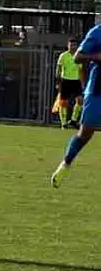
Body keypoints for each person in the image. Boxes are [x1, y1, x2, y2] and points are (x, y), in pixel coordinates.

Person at [51, 26, 101, 187]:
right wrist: (97, 56)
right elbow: (78, 57)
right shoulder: (97, 32)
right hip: (97, 90)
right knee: (85, 133)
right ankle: (65, 163)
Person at [55, 38, 84, 129]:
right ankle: (63, 123)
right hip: (65, 80)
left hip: (76, 81)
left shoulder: (78, 56)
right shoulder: (63, 56)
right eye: (71, 45)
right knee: (64, 103)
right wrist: (58, 82)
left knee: (80, 101)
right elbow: (58, 69)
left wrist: (82, 82)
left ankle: (73, 120)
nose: (73, 47)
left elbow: (81, 70)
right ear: (68, 46)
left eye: (74, 45)